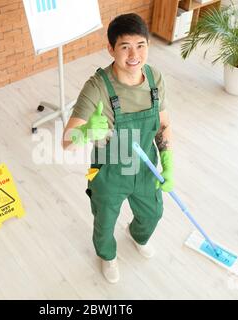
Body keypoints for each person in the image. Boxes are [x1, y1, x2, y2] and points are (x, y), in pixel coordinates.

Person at [62, 13, 174, 283]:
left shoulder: (154, 78)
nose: (134, 54)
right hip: (106, 172)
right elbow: (66, 140)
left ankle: (137, 235)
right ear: (111, 49)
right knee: (104, 222)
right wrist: (87, 131)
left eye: (141, 45)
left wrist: (168, 162)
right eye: (125, 47)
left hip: (145, 165)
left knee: (153, 212)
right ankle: (108, 255)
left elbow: (163, 125)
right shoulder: (96, 87)